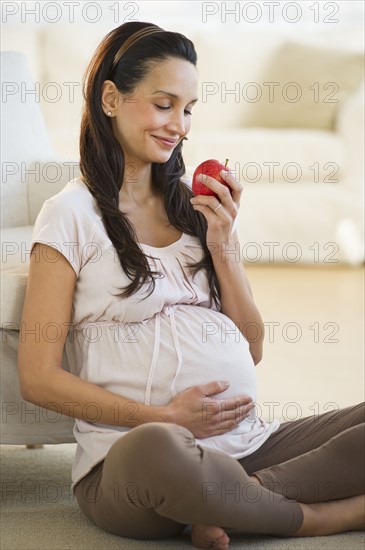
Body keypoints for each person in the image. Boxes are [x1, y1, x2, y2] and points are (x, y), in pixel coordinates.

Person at [18, 21, 364, 550]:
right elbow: (38, 378)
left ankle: (240, 497)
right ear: (111, 98)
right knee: (160, 447)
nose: (178, 125)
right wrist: (165, 416)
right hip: (132, 460)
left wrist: (224, 242)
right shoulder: (69, 215)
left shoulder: (195, 207)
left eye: (188, 109)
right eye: (163, 104)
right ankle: (319, 519)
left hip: (247, 445)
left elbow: (252, 347)